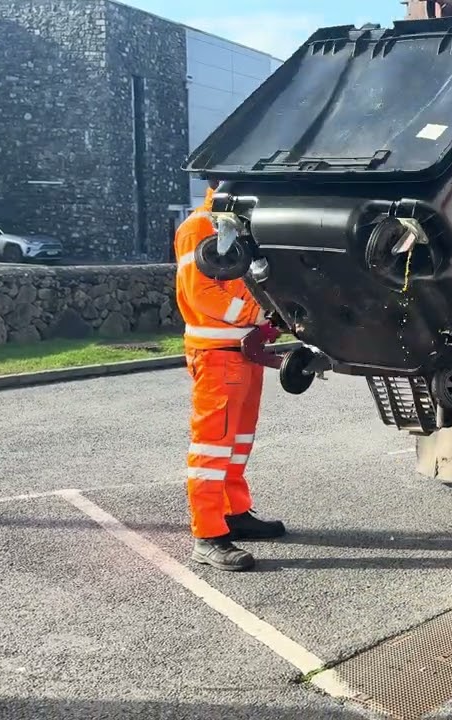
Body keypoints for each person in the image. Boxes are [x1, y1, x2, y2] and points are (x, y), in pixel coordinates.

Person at [174, 179, 286, 572]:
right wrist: (259, 314)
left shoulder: (236, 226)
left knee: (237, 442)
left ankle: (234, 513)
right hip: (218, 355)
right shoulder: (198, 228)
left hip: (243, 353)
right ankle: (207, 536)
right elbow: (201, 293)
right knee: (212, 448)